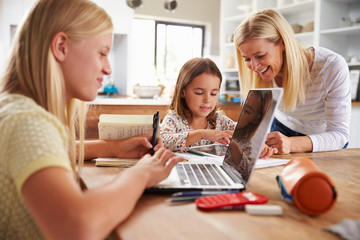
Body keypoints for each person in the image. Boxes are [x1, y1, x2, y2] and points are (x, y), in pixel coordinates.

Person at [0, 0, 183, 239]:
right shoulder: (27, 121)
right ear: (61, 47)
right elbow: (76, 225)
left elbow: (45, 151)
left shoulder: (14, 109)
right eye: (102, 53)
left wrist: (112, 148)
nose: (108, 69)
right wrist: (142, 174)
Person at [233, 9, 351, 154]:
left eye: (260, 56)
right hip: (280, 130)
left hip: (322, 139)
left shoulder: (331, 66)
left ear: (282, 43)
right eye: (247, 59)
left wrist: (292, 144)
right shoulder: (260, 71)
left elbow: (340, 135)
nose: (255, 66)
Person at [160, 57, 236, 152]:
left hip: (212, 166)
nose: (207, 100)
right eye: (199, 92)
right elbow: (163, 142)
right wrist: (202, 134)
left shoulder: (219, 120)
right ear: (183, 91)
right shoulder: (173, 120)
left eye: (213, 94)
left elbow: (245, 134)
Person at [224, 90, 273, 181]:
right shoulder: (227, 126)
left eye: (246, 111)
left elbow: (248, 173)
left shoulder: (246, 145)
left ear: (254, 119)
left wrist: (234, 147)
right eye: (242, 105)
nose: (240, 112)